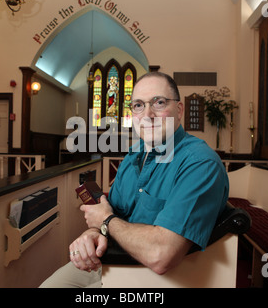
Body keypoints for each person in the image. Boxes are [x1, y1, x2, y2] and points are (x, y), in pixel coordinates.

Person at [40, 71, 229, 288]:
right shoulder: (135, 154)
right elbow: (113, 212)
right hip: (109, 260)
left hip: (151, 278)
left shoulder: (199, 163)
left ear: (179, 110)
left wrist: (106, 221)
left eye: (159, 102)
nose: (147, 115)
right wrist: (92, 233)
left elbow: (161, 254)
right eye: (138, 105)